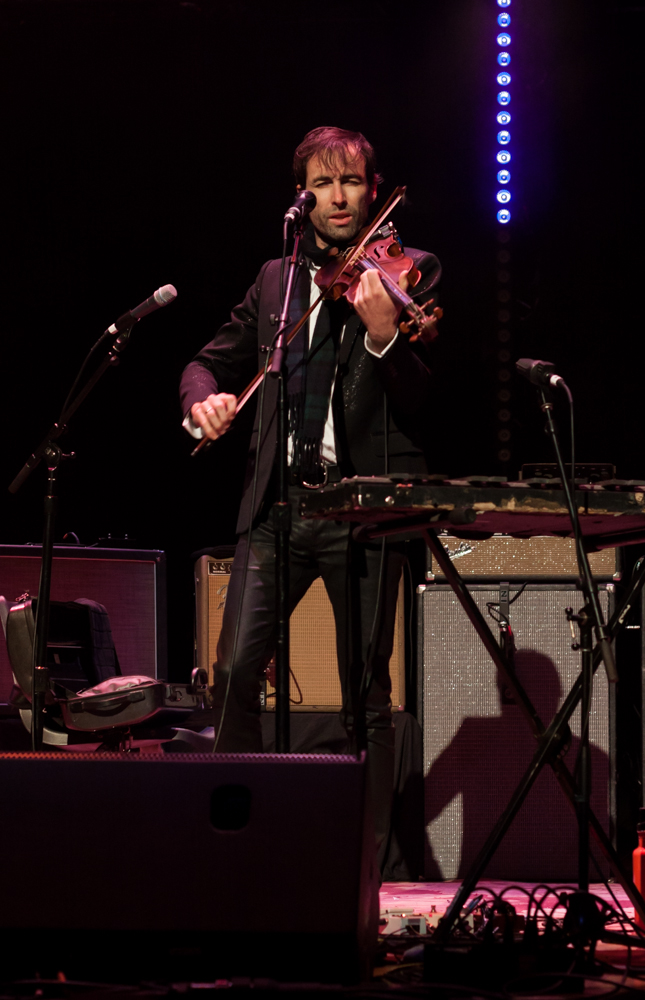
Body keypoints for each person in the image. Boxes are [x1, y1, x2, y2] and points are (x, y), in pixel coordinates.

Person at [180, 126, 441, 851]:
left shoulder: (408, 269)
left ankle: (369, 860)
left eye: (351, 181)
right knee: (232, 670)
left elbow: (421, 401)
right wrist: (201, 400)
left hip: (359, 512)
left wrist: (385, 336)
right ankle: (229, 839)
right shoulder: (277, 280)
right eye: (322, 183)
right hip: (277, 508)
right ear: (302, 196)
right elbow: (207, 361)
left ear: (371, 189)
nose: (338, 196)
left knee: (364, 694)